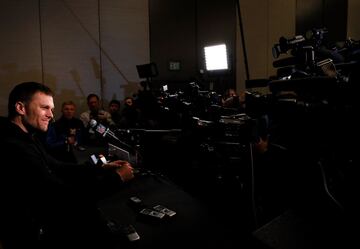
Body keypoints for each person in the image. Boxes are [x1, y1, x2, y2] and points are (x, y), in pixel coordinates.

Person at [0, 82, 134, 249]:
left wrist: (99, 167)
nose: (51, 115)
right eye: (44, 108)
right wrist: (117, 177)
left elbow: (57, 166)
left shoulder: (26, 136)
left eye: (52, 109)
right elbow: (61, 195)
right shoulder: (12, 146)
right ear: (21, 108)